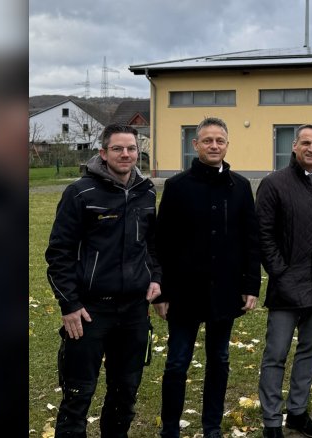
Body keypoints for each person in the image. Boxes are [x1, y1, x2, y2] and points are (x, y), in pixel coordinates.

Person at [45, 124, 163, 437]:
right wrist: (69, 304)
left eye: (131, 149)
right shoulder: (80, 193)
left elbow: (152, 245)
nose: (125, 154)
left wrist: (155, 278)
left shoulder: (147, 192)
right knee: (77, 395)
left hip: (134, 312)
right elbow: (59, 254)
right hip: (89, 312)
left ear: (139, 152)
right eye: (117, 149)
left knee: (125, 393)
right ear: (103, 153)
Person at [153, 117, 261, 438]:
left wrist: (250, 285)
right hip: (184, 293)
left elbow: (250, 241)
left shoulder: (240, 187)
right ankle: (170, 429)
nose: (214, 146)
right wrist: (161, 293)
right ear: (195, 145)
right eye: (208, 140)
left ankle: (211, 426)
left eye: (220, 141)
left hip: (225, 292)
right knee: (176, 362)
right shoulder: (176, 187)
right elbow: (162, 243)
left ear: (227, 145)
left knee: (220, 359)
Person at [255, 124, 312, 438]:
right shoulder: (274, 184)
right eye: (306, 142)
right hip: (286, 287)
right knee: (276, 354)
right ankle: (271, 421)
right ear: (294, 146)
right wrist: (279, 271)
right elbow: (263, 235)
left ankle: (297, 413)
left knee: (309, 351)